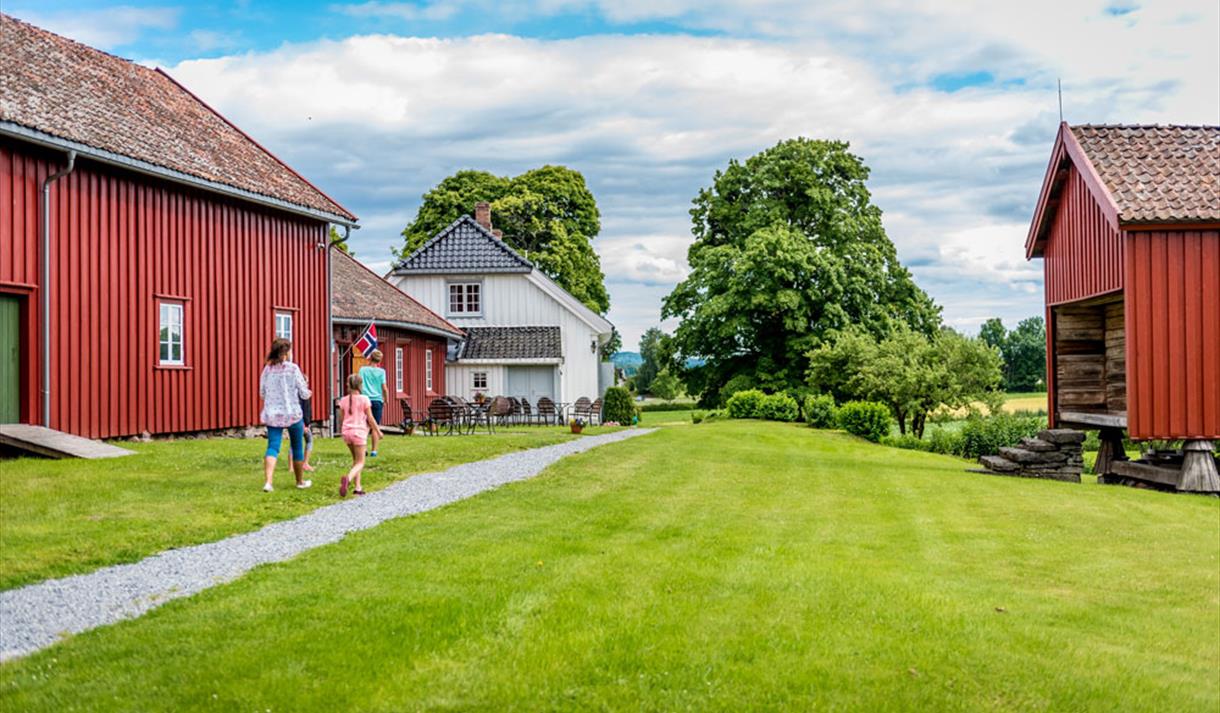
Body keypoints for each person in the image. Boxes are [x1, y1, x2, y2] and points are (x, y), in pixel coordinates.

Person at [259, 338, 312, 492]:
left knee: (273, 446)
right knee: (297, 447)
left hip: (273, 413)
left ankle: (268, 482)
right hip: (292, 413)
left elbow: (262, 392)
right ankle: (299, 481)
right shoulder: (293, 368)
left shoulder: (267, 370)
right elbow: (303, 392)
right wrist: (308, 393)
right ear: (287, 352)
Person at [338, 373, 382, 497]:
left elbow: (341, 418)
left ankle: (358, 487)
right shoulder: (364, 399)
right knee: (361, 462)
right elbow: (371, 418)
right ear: (360, 385)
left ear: (348, 385)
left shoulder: (343, 400)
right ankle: (348, 478)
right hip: (359, 433)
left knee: (355, 461)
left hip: (346, 433)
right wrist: (378, 432)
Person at [358, 349, 388, 457]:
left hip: (365, 399)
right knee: (375, 426)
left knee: (364, 425)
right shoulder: (381, 372)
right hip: (377, 400)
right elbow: (384, 388)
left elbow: (359, 384)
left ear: (370, 358)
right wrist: (386, 399)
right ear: (379, 360)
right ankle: (374, 451)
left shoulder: (363, 370)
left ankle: (363, 449)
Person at [289, 393, 315, 473]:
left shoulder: (293, 393)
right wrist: (305, 425)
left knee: (294, 443)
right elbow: (304, 410)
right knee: (309, 441)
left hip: (295, 422)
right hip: (301, 423)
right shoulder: (303, 395)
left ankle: (291, 467)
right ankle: (305, 463)